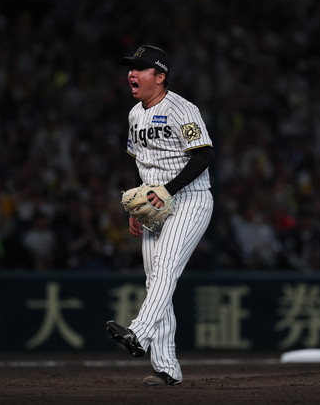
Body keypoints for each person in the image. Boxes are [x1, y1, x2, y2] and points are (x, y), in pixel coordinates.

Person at [105, 45, 215, 387]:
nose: (132, 74)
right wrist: (138, 205)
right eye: (131, 68)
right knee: (156, 281)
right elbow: (141, 161)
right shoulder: (134, 115)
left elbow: (204, 155)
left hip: (190, 200)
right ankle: (167, 368)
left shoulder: (182, 108)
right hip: (154, 204)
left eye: (140, 68)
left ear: (160, 76)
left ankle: (138, 332)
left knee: (166, 267)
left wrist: (167, 189)